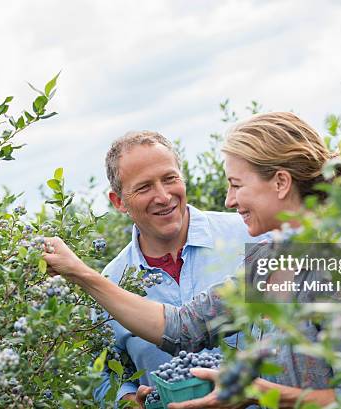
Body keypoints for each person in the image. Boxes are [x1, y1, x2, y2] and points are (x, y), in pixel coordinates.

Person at [44, 112, 341, 408]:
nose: (229, 200)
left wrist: (259, 393)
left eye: (236, 184)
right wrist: (81, 273)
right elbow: (183, 327)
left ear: (281, 183)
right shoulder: (270, 263)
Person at [91, 131, 261, 405]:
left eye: (170, 179)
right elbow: (100, 374)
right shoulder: (110, 284)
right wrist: (128, 399)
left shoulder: (250, 237)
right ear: (119, 201)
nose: (163, 196)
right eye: (144, 187)